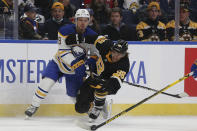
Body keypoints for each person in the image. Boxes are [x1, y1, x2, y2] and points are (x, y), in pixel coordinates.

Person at [24, 8, 98, 117]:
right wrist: (76, 63)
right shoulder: (64, 31)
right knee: (46, 83)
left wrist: (88, 64)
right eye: (80, 20)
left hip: (74, 71)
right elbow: (63, 51)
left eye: (85, 20)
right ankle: (34, 105)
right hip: (58, 63)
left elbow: (95, 54)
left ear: (89, 21)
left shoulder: (92, 35)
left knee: (73, 95)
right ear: (75, 20)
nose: (83, 23)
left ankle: (90, 110)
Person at [75, 37, 130, 122]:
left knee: (102, 87)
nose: (115, 56)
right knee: (80, 107)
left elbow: (115, 84)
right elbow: (94, 37)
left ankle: (98, 107)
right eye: (114, 52)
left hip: (107, 82)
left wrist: (102, 83)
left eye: (119, 54)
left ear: (124, 54)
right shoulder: (105, 45)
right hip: (94, 77)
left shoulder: (124, 64)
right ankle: (99, 102)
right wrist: (77, 38)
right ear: (111, 50)